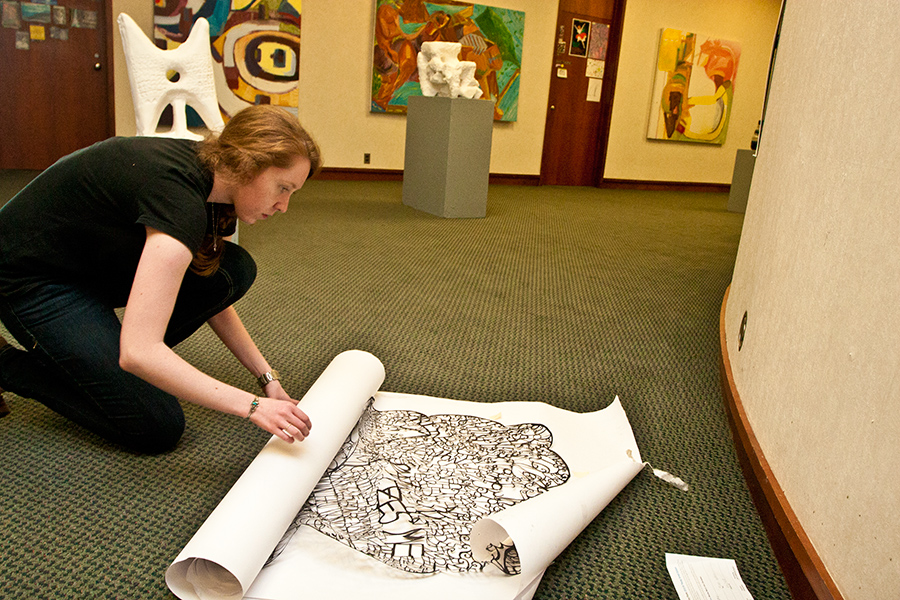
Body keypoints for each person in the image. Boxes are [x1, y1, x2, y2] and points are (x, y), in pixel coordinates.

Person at [0, 105, 321, 454]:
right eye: (282, 188)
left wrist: (267, 378)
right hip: (30, 279)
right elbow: (137, 353)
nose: (283, 206)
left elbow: (207, 289)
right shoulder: (178, 198)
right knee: (155, 424)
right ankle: (8, 365)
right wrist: (253, 406)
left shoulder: (215, 184)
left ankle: (100, 359)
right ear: (248, 165)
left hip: (88, 261)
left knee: (233, 270)